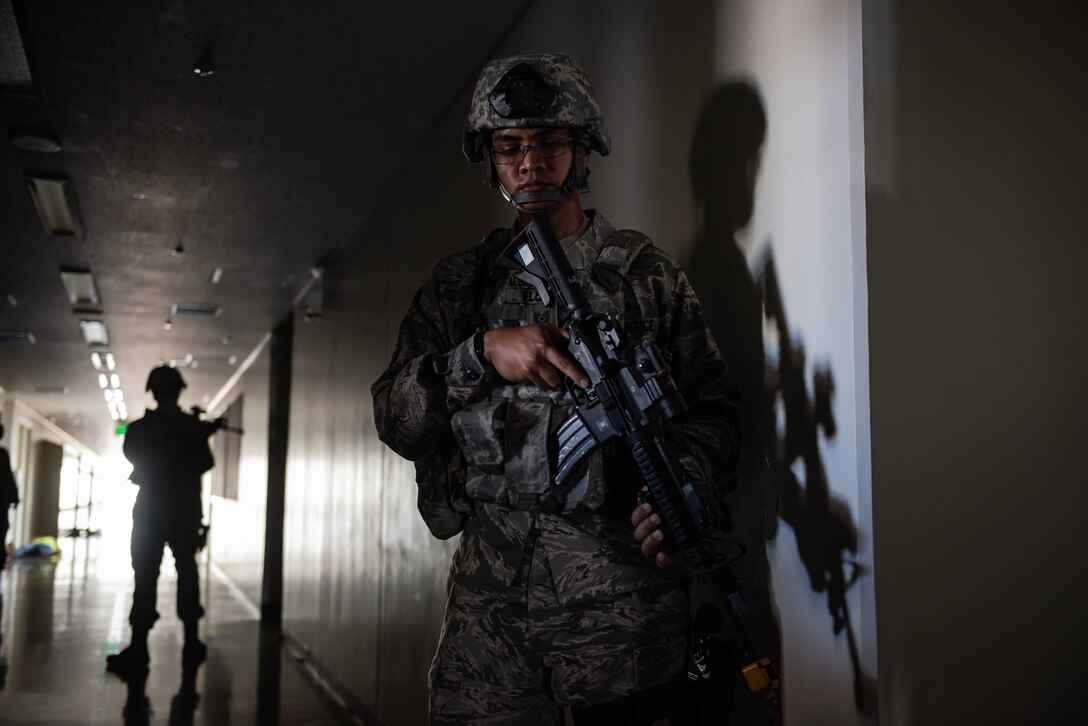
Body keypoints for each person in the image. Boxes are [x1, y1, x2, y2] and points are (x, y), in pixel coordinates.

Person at [372, 52, 741, 724]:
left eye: (549, 143)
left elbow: (716, 410)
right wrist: (480, 354)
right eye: (510, 147)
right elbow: (395, 420)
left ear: (582, 148)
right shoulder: (461, 285)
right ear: (490, 160)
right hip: (491, 629)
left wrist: (679, 487)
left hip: (622, 618)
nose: (530, 163)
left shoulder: (644, 278)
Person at [106, 365, 214, 675]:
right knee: (188, 574)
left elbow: (134, 456)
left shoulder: (140, 428)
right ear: (179, 391)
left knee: (145, 576)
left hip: (151, 511)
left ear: (152, 391)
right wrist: (198, 433)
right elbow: (205, 462)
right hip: (184, 511)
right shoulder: (191, 428)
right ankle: (192, 642)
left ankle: (139, 646)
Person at [0, 420, 19, 565]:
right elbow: (9, 478)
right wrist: (14, 497)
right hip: (2, 502)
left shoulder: (3, 454)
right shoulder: (3, 454)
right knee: (2, 527)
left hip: (2, 501)